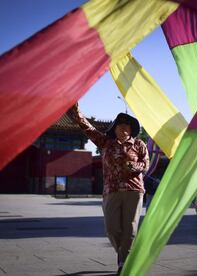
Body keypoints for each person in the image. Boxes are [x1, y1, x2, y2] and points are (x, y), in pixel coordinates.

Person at [68, 103, 149, 275]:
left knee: (130, 228)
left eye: (126, 126)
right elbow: (87, 128)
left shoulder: (139, 144)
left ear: (131, 129)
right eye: (120, 126)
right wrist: (77, 113)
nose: (123, 128)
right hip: (111, 190)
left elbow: (146, 164)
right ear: (115, 128)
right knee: (111, 228)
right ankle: (124, 255)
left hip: (133, 190)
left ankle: (124, 263)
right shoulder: (105, 143)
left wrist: (133, 166)